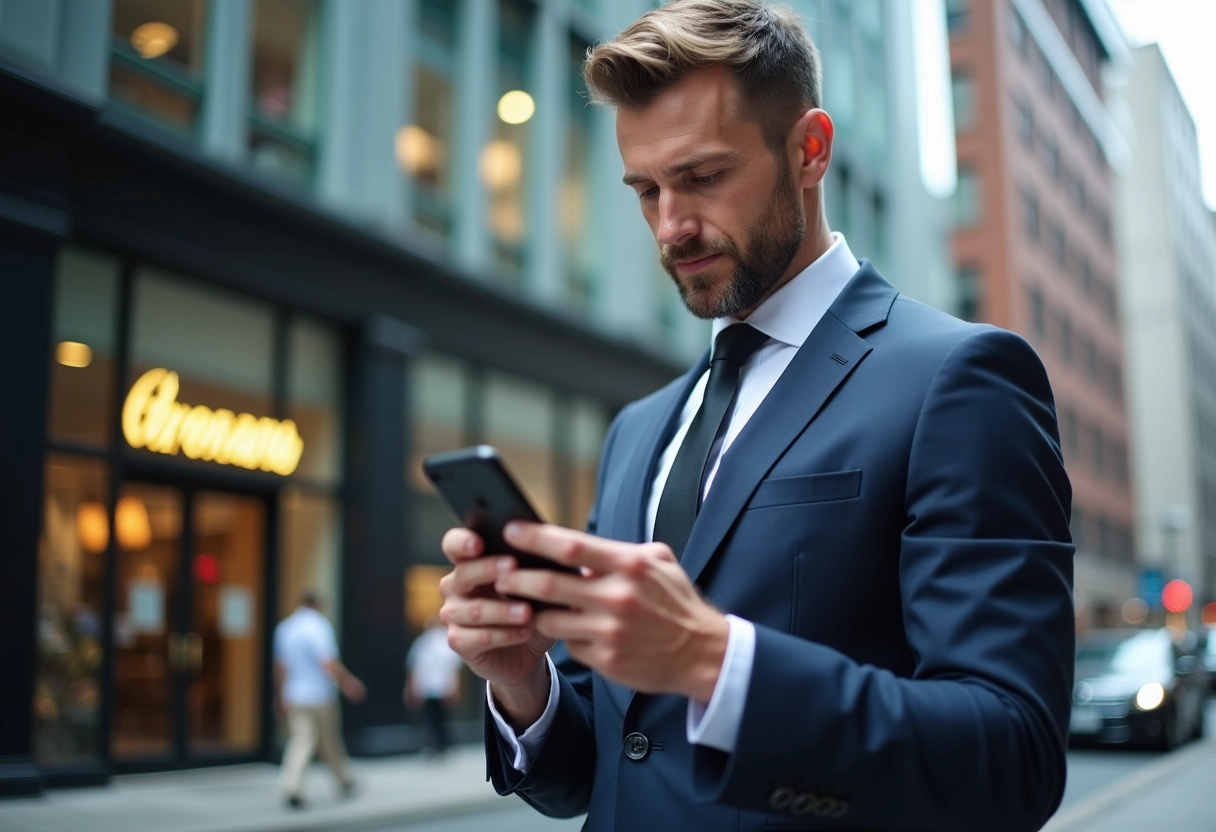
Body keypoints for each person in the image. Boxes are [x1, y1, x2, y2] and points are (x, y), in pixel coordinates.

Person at [438, 1, 1075, 830]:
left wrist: (715, 661)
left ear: (809, 150)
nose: (672, 227)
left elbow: (1012, 760)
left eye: (703, 177)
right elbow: (606, 770)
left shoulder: (960, 378)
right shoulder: (639, 429)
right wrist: (526, 684)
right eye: (646, 190)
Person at [273, 592, 365, 809]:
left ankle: (294, 785)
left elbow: (281, 666)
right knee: (328, 740)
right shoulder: (319, 626)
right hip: (320, 694)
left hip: (295, 693)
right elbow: (327, 661)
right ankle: (342, 780)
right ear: (318, 605)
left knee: (302, 739)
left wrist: (280, 693)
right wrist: (347, 683)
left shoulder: (286, 628)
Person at [405, 616, 464, 756]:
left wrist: (455, 687)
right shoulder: (421, 642)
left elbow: (453, 667)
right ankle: (432, 745)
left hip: (442, 687)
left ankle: (443, 745)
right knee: (429, 717)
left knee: (442, 717)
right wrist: (411, 687)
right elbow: (414, 666)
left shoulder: (446, 642)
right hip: (426, 687)